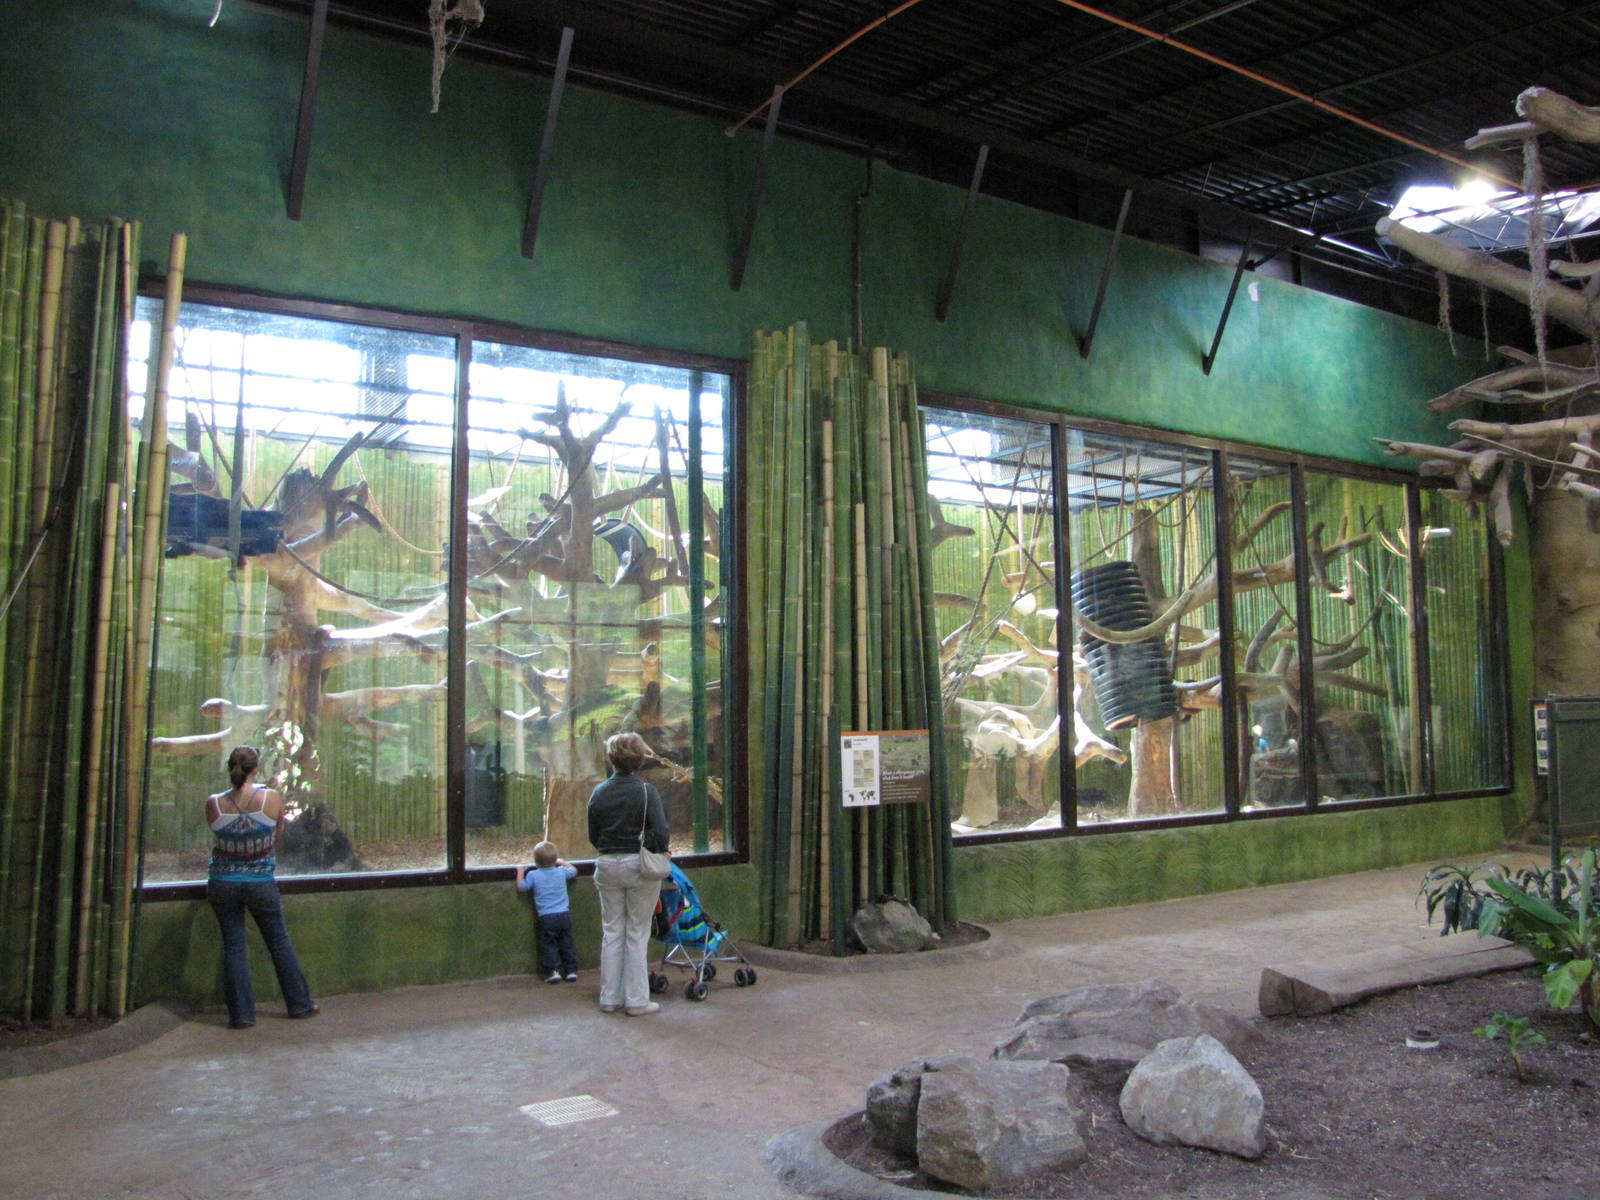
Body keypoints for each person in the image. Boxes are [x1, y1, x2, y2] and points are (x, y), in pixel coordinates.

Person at [205, 745, 318, 1029]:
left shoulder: (214, 803)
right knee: (278, 941)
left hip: (223, 883)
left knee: (233, 945)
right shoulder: (271, 798)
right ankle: (300, 1004)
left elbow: (218, 836)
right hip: (261, 882)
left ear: (230, 768)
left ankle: (241, 1015)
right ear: (255, 769)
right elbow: (278, 835)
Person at [586, 731, 670, 1016]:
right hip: (639, 864)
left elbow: (593, 834)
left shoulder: (599, 792)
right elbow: (661, 832)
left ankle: (609, 998)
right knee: (636, 932)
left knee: (612, 931)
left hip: (606, 863)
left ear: (611, 758)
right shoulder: (647, 792)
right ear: (640, 758)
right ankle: (636, 1000)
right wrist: (660, 851)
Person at [516, 841, 580, 984]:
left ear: (536, 861)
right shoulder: (561, 872)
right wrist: (562, 862)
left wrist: (520, 872)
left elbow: (521, 887)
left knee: (548, 944)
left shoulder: (533, 875)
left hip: (546, 917)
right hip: (564, 914)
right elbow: (574, 871)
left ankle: (553, 971)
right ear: (555, 859)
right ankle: (571, 971)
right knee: (567, 943)